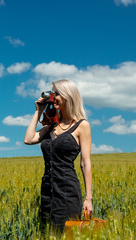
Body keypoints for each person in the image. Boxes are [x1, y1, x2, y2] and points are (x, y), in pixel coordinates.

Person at [24, 79, 93, 234]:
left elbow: (85, 163)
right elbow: (28, 139)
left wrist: (88, 198)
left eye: (57, 93)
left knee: (65, 234)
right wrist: (38, 111)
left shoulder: (82, 126)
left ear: (68, 96)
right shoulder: (51, 126)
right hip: (47, 192)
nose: (53, 97)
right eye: (52, 93)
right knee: (46, 234)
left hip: (67, 193)